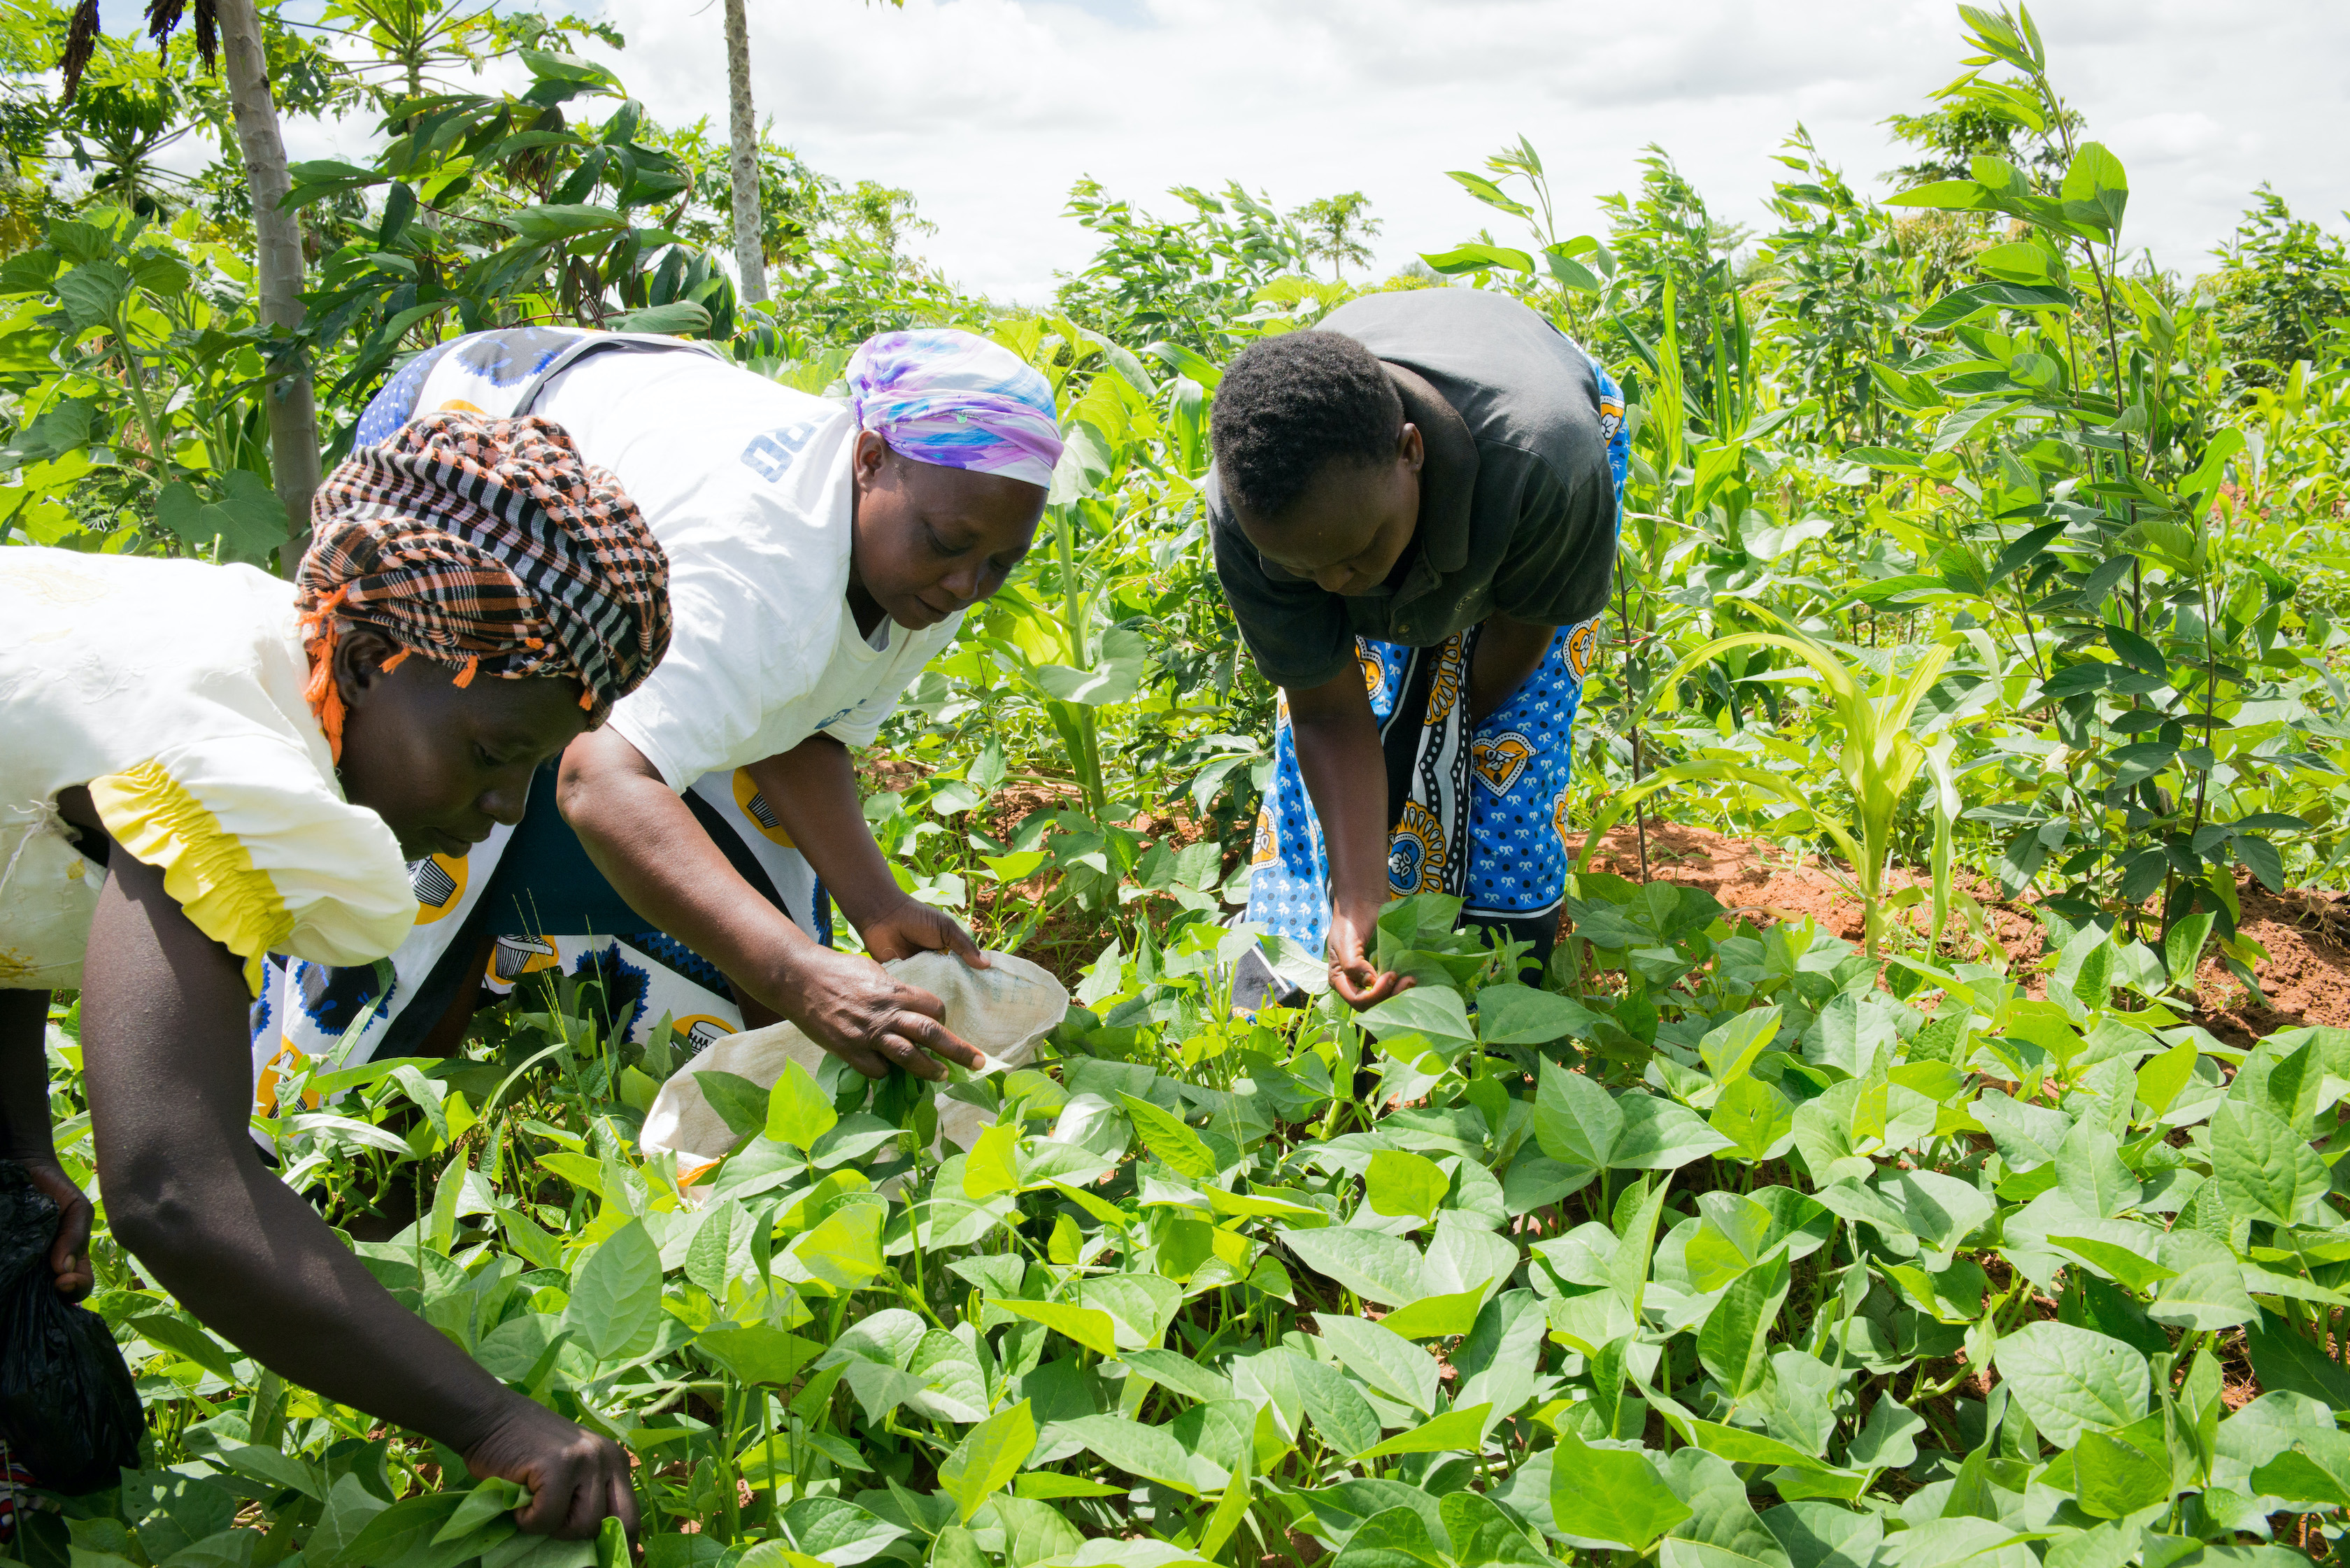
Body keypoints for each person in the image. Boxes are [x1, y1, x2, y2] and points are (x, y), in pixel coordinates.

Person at [0, 412, 671, 1534]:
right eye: (493, 754)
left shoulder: (251, 643)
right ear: (366, 662)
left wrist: (21, 1140)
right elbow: (175, 1187)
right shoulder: (226, 763)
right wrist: (493, 1418)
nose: (507, 807)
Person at [255, 325, 1062, 1092]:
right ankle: (324, 1095)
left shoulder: (929, 563)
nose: (967, 585)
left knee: (766, 904)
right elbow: (600, 782)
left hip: (640, 485)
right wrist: (794, 973)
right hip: (480, 413)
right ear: (871, 460)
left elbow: (799, 727)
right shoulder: (757, 560)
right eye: (949, 545)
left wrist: (879, 908)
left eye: (1001, 563)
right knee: (442, 796)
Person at [1206, 289, 1628, 1006]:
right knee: (1329, 778)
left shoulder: (1546, 464)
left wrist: (1439, 731)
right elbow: (1326, 712)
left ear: (1411, 451)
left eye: (1356, 554)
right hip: (1359, 490)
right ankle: (1301, 980)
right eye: (1306, 570)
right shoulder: (1258, 505)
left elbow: (1521, 635)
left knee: (1508, 756)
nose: (1336, 585)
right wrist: (1359, 897)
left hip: (1531, 463)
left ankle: (1496, 1008)